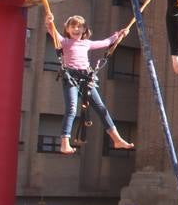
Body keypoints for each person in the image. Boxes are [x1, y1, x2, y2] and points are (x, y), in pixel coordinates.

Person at [45, 14, 133, 156]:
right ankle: (64, 143)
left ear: (85, 29)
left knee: (101, 108)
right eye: (73, 26)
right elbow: (53, 33)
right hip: (71, 78)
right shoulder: (65, 42)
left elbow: (106, 42)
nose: (76, 29)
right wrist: (49, 23)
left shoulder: (87, 43)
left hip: (86, 78)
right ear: (67, 29)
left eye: (79, 26)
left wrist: (120, 34)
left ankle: (117, 139)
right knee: (72, 108)